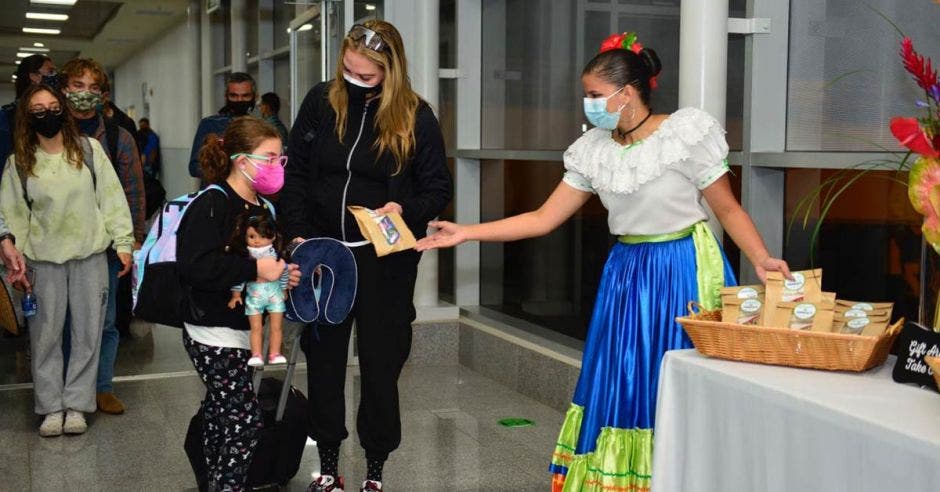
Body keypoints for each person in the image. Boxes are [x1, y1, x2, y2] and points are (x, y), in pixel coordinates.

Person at [416, 32, 791, 491]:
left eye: (594, 95)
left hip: (681, 269)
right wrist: (466, 232)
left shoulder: (684, 134)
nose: (587, 104)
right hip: (626, 273)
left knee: (675, 375)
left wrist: (762, 259)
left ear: (627, 94)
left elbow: (728, 208)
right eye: (586, 95)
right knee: (624, 377)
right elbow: (542, 218)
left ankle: (685, 475)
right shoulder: (594, 150)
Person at [281, 20, 452, 492]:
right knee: (326, 364)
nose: (354, 81)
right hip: (326, 258)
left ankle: (375, 470)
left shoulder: (416, 116)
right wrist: (297, 235)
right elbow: (295, 175)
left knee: (380, 367)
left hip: (384, 264)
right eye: (348, 71)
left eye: (367, 76)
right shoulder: (321, 101)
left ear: (389, 70)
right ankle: (329, 466)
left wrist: (407, 208)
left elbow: (438, 188)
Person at [0, 84, 134, 437]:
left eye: (53, 106)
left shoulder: (89, 151)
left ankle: (76, 404)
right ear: (27, 117)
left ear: (64, 109)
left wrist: (123, 242)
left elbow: (112, 198)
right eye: (38, 109)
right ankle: (50, 407)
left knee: (89, 334)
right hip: (42, 262)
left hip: (90, 257)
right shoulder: (19, 162)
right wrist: (19, 265)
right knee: (45, 337)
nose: (47, 113)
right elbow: (14, 217)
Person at [176, 116, 300, 491]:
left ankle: (213, 481)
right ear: (241, 160)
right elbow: (196, 267)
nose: (278, 166)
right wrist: (256, 267)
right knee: (245, 424)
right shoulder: (211, 203)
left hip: (246, 332)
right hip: (212, 333)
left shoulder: (265, 208)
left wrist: (282, 275)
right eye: (270, 157)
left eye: (281, 158)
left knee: (219, 415)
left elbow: (267, 263)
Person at [60, 58, 146, 415]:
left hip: (107, 244)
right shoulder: (48, 134)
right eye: (77, 86)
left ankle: (102, 387)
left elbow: (133, 191)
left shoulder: (118, 137)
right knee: (65, 322)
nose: (85, 94)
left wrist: (134, 240)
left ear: (104, 95)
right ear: (64, 90)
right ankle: (66, 389)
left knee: (106, 321)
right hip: (60, 244)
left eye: (93, 88)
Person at [226, 212, 290, 367]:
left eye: (261, 236)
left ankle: (275, 353)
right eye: (252, 237)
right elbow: (240, 276)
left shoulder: (277, 256)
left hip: (275, 295)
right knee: (256, 328)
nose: (256, 241)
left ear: (272, 237)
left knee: (276, 327)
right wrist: (236, 294)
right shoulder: (246, 258)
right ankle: (256, 353)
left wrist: (284, 289)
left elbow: (285, 271)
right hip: (254, 295)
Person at [189, 72, 257, 180]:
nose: (239, 100)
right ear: (226, 96)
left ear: (254, 96)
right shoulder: (210, 124)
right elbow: (194, 167)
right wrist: (223, 169)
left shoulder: (259, 127)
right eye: (234, 96)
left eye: (245, 95)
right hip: (217, 191)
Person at [1, 54, 56, 167]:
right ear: (34, 77)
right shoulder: (7, 117)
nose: (55, 76)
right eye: (50, 71)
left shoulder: (57, 113)